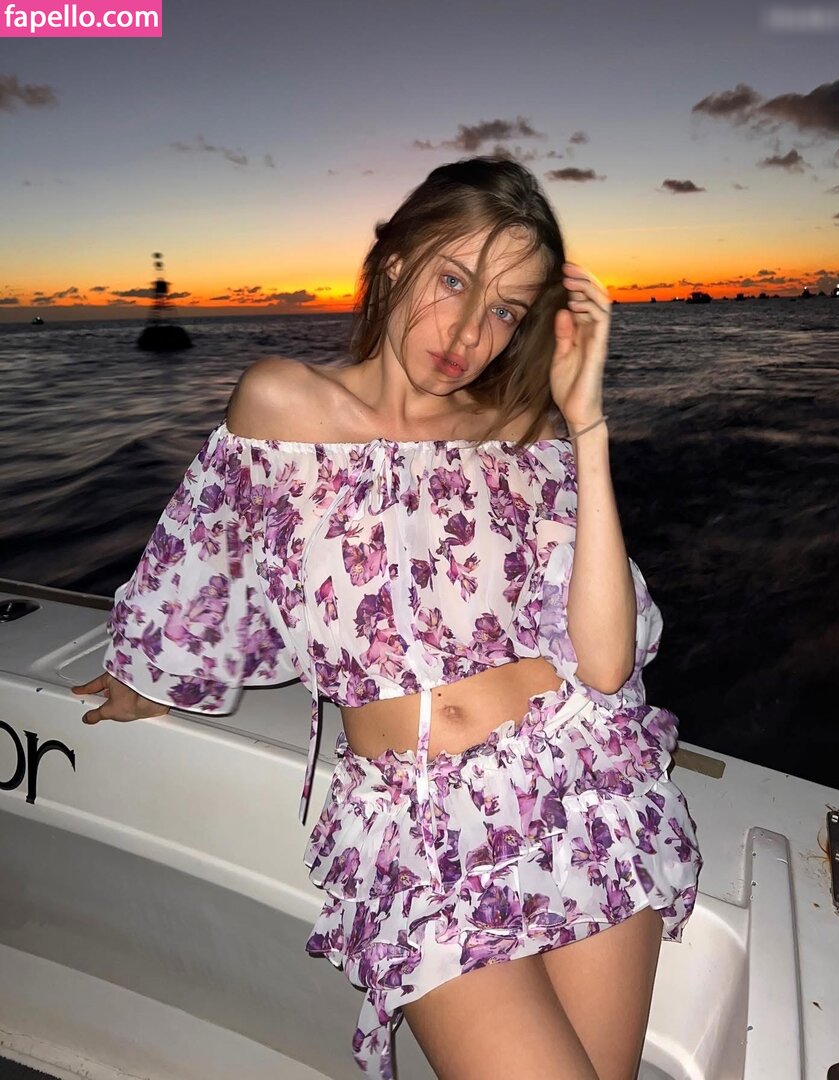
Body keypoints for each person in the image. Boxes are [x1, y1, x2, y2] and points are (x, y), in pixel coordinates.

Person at [71, 155, 703, 1080]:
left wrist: (586, 422)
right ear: (396, 260)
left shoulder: (522, 434)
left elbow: (606, 666)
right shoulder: (284, 405)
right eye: (453, 281)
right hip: (417, 825)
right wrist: (147, 677)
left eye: (506, 311)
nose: (470, 332)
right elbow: (204, 559)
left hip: (587, 785)